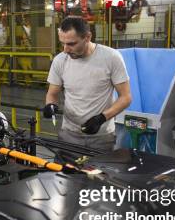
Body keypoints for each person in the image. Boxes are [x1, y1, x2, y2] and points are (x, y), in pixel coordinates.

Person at [44, 16, 131, 152]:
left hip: (101, 137)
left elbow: (125, 97)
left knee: (98, 173)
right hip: (69, 134)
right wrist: (50, 104)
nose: (66, 49)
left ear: (87, 37)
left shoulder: (111, 58)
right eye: (63, 43)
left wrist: (101, 118)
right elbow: (52, 93)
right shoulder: (60, 60)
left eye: (72, 44)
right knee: (66, 172)